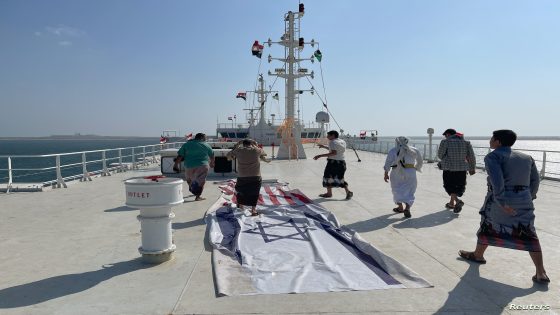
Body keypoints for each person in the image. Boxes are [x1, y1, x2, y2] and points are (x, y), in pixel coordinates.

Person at [458, 130, 549, 284]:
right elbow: (535, 180)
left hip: (502, 200)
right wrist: (530, 196)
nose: (490, 140)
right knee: (528, 232)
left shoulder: (493, 156)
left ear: (498, 142)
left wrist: (502, 202)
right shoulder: (527, 158)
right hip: (524, 200)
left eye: (492, 138)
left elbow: (497, 181)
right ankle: (541, 272)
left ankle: (478, 255)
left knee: (488, 223)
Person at [438, 128, 477, 213]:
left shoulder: (445, 142)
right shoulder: (466, 143)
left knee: (449, 186)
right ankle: (451, 203)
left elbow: (440, 155)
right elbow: (472, 157)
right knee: (458, 186)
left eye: (445, 135)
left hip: (449, 168)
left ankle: (458, 201)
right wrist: (472, 167)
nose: (445, 137)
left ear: (448, 134)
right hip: (462, 169)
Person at [383, 137, 423, 218]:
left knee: (396, 189)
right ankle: (407, 208)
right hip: (411, 171)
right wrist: (416, 167)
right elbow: (420, 161)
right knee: (410, 190)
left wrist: (386, 173)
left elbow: (388, 162)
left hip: (396, 172)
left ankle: (400, 207)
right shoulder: (414, 150)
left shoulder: (393, 150)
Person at [227, 139, 269, 216]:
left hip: (242, 176)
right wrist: (255, 144)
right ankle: (253, 210)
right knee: (254, 193)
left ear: (243, 144)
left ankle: (241, 206)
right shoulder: (257, 150)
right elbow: (264, 154)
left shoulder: (238, 150)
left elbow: (229, 155)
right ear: (251, 144)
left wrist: (238, 144)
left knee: (241, 191)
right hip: (255, 176)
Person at [313, 130, 353, 200]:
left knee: (327, 176)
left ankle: (329, 193)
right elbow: (335, 149)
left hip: (333, 163)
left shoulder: (332, 142)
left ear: (333, 135)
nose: (327, 136)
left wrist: (319, 155)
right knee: (340, 178)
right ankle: (348, 192)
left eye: (328, 135)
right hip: (342, 163)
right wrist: (324, 147)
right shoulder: (342, 141)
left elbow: (333, 153)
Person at [175, 133, 215, 201]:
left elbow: (180, 155)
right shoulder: (206, 145)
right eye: (205, 138)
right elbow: (212, 154)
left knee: (189, 180)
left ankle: (193, 189)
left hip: (189, 166)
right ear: (202, 138)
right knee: (201, 182)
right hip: (203, 166)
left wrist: (175, 165)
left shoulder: (187, 144)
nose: (206, 139)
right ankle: (197, 196)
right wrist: (212, 163)